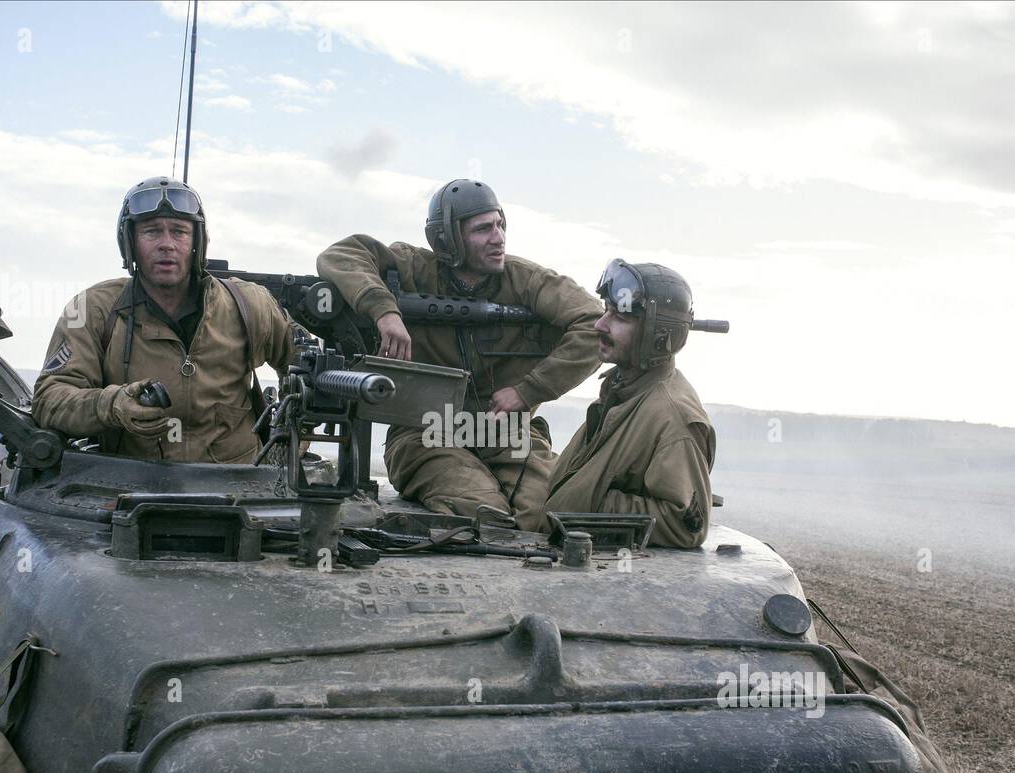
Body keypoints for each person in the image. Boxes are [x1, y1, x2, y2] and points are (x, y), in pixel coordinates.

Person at [315, 179, 602, 528]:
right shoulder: (413, 269)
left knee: (548, 515)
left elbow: (594, 324)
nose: (498, 237)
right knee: (483, 513)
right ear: (447, 240)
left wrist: (529, 390)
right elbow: (342, 254)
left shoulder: (525, 280)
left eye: (500, 224)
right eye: (483, 229)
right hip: (423, 433)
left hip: (505, 430)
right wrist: (384, 310)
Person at [32, 176, 294, 463]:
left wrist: (291, 436)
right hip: (132, 486)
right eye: (152, 231)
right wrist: (111, 404)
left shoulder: (248, 305)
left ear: (197, 241)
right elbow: (49, 399)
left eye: (180, 232)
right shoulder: (94, 310)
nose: (166, 244)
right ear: (129, 242)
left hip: (239, 486)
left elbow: (307, 372)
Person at [532, 259, 715, 548]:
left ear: (656, 335)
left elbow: (685, 524)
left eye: (619, 317)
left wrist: (589, 497)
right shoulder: (624, 389)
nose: (600, 324)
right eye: (606, 311)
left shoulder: (672, 416)